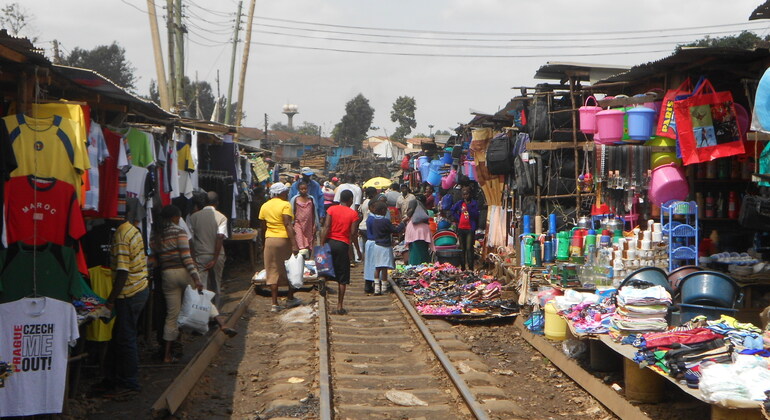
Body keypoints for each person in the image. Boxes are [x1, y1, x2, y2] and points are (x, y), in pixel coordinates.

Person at [96, 198, 149, 397]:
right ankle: (112, 378)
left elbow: (123, 272)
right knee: (119, 336)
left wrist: (110, 301)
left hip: (130, 292)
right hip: (139, 288)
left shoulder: (121, 235)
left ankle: (129, 382)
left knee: (126, 339)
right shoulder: (133, 229)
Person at [259, 183, 302, 312]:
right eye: (285, 192)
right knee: (290, 268)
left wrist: (263, 243)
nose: (287, 194)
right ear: (281, 193)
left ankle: (274, 303)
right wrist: (294, 244)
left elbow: (263, 227)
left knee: (272, 270)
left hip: (269, 240)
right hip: (283, 240)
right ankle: (290, 298)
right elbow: (288, 224)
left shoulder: (264, 206)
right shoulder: (285, 205)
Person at [320, 190, 361, 315]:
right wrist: (357, 251)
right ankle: (339, 306)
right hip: (343, 245)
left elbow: (326, 227)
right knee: (342, 278)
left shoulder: (332, 209)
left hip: (329, 242)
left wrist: (322, 244)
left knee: (325, 268)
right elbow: (353, 234)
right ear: (350, 200)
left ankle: (323, 279)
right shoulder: (353, 214)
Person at [188, 191, 228, 308]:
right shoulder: (222, 217)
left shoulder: (193, 217)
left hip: (200, 255)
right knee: (216, 283)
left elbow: (190, 239)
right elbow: (220, 237)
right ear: (217, 203)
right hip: (217, 255)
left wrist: (193, 258)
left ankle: (203, 314)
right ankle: (216, 312)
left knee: (202, 286)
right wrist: (215, 259)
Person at [366, 201, 407, 295]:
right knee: (384, 268)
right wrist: (402, 223)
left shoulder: (374, 220)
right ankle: (384, 287)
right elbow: (395, 230)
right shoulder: (385, 221)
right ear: (382, 210)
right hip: (385, 246)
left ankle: (376, 288)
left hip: (377, 246)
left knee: (377, 268)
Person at [451, 186, 480, 271]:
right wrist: (458, 217)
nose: (465, 196)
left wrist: (468, 210)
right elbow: (452, 210)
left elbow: (476, 215)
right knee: (462, 248)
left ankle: (470, 267)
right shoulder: (460, 203)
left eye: (467, 194)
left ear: (470, 194)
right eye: (464, 194)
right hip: (461, 228)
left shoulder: (474, 204)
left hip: (470, 228)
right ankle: (463, 267)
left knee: (469, 248)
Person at [289, 181, 319, 259]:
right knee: (300, 243)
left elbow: (314, 212)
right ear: (298, 190)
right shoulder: (295, 199)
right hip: (298, 223)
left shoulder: (311, 199)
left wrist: (315, 224)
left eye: (305, 189)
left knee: (309, 244)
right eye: (302, 189)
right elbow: (292, 211)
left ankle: (307, 261)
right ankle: (300, 260)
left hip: (309, 224)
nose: (304, 190)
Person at [404, 194, 433, 265]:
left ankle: (415, 266)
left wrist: (405, 218)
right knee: (423, 250)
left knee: (415, 252)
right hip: (424, 230)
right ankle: (425, 267)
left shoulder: (413, 202)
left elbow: (409, 213)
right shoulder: (424, 208)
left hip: (414, 230)